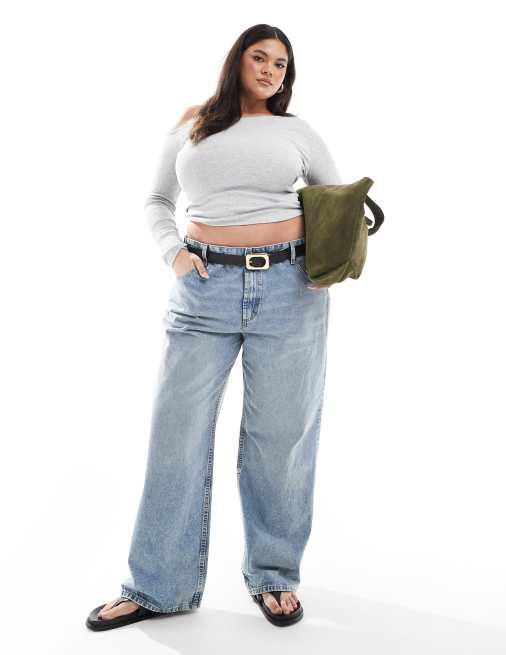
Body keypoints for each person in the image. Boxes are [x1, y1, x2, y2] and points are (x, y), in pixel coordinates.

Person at [86, 23, 342, 631]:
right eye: (260, 57)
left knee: (281, 438)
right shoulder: (194, 123)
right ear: (236, 61)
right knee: (175, 431)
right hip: (204, 287)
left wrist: (328, 263)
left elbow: (336, 201)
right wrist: (173, 253)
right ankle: (157, 586)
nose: (271, 70)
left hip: (291, 289)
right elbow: (157, 199)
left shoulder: (297, 131)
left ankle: (274, 575)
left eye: (281, 64)